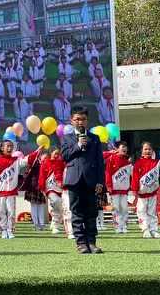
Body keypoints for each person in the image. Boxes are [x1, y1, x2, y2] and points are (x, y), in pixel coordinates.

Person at [60, 106, 105, 254]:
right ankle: (81, 243)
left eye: (83, 119)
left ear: (87, 121)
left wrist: (100, 182)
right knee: (77, 213)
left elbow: (100, 162)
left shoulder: (95, 138)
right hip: (74, 180)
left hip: (92, 180)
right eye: (77, 119)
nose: (80, 122)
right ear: (71, 120)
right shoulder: (67, 138)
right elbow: (65, 156)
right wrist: (78, 145)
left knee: (91, 213)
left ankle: (91, 242)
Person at [0, 139, 41, 239]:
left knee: (11, 212)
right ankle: (4, 230)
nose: (9, 148)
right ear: (2, 148)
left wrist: (37, 151)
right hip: (1, 193)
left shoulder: (16, 161)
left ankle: (10, 230)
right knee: (1, 211)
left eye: (11, 146)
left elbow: (27, 160)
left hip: (11, 192)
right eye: (7, 146)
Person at [103, 142, 132, 234]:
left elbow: (132, 175)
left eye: (126, 147)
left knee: (124, 208)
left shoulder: (128, 162)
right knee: (116, 208)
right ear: (118, 149)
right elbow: (108, 173)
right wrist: (109, 186)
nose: (125, 149)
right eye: (123, 147)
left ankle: (124, 226)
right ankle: (118, 226)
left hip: (124, 190)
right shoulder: (111, 159)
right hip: (114, 189)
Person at [39, 148, 66, 234]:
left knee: (61, 206)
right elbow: (42, 176)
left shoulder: (61, 163)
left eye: (58, 154)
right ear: (50, 153)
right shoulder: (45, 163)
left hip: (60, 188)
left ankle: (56, 222)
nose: (57, 155)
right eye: (55, 153)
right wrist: (42, 188)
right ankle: (55, 225)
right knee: (56, 202)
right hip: (50, 188)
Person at [21, 151, 47, 231]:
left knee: (41, 205)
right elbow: (28, 172)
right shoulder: (34, 163)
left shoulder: (46, 164)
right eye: (44, 157)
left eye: (46, 158)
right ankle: (36, 224)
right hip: (33, 186)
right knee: (34, 205)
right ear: (39, 156)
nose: (45, 159)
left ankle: (42, 224)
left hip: (42, 186)